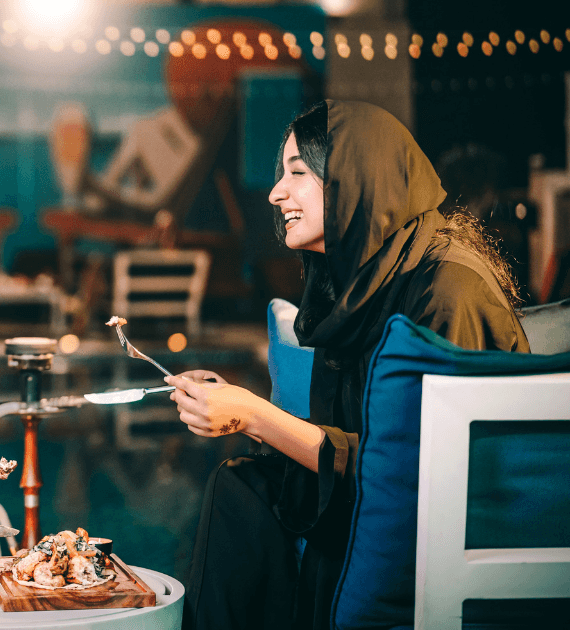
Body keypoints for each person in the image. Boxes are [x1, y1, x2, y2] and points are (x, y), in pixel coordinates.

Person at [164, 100, 529, 630]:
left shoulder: (448, 290)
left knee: (250, 496)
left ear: (354, 180)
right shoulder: (370, 281)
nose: (275, 193)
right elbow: (367, 437)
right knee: (241, 488)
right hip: (389, 491)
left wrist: (255, 416)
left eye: (298, 173)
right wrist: (237, 406)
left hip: (447, 527)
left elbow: (420, 469)